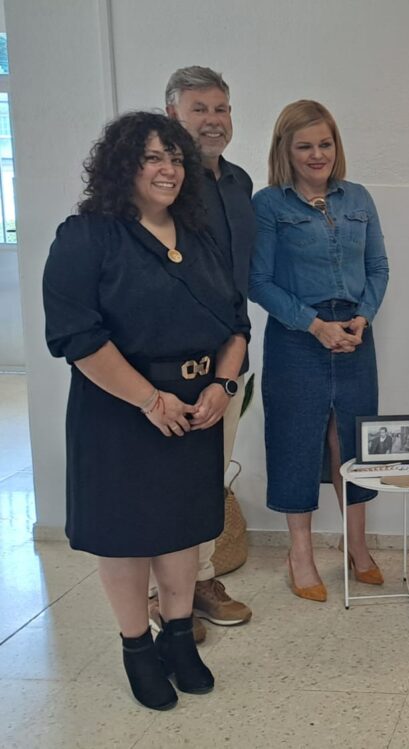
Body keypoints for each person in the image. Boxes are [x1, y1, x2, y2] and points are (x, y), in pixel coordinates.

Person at [42, 112, 249, 710]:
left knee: (182, 529)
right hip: (119, 411)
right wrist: (150, 400)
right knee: (127, 535)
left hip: (197, 409)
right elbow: (78, 338)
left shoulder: (199, 237)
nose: (168, 170)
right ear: (123, 166)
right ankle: (137, 647)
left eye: (176, 158)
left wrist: (223, 385)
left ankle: (178, 638)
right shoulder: (87, 236)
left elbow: (237, 324)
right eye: (153, 158)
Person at [249, 100, 389, 602]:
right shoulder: (269, 205)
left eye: (325, 144)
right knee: (296, 440)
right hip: (296, 335)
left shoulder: (358, 197)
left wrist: (362, 317)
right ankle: (301, 554)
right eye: (304, 146)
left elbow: (378, 268)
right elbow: (258, 281)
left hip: (354, 333)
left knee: (353, 440)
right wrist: (313, 325)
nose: (317, 155)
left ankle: (357, 545)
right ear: (285, 150)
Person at [152, 65, 255, 640]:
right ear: (172, 114)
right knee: (167, 482)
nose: (213, 120)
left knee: (209, 476)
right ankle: (162, 596)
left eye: (221, 108)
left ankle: (201, 581)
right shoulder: (163, 183)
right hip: (173, 361)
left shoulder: (239, 183)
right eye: (200, 109)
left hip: (230, 356)